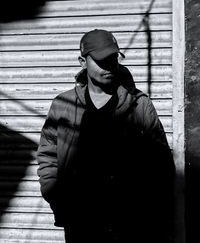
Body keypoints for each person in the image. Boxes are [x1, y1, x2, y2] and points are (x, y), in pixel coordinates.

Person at [37, 29, 175, 243]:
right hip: (81, 223)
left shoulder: (140, 105)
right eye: (101, 60)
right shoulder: (62, 105)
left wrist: (151, 212)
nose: (109, 65)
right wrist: (56, 196)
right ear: (82, 61)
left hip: (131, 224)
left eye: (113, 58)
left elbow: (162, 164)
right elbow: (48, 154)